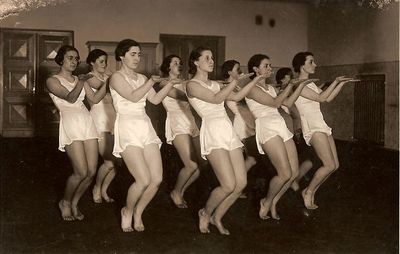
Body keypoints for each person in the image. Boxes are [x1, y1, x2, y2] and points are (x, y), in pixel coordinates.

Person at [186, 47, 259, 235]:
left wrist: (255, 80)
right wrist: (233, 81)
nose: (211, 61)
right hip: (212, 133)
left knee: (240, 184)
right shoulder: (192, 85)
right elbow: (216, 98)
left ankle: (217, 217)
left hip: (228, 131)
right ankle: (205, 212)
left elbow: (235, 97)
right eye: (207, 58)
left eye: (212, 58)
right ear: (195, 62)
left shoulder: (216, 83)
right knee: (227, 184)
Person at [109, 39, 176, 232]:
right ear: (122, 56)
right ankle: (127, 210)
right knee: (143, 179)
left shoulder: (140, 78)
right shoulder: (116, 77)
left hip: (145, 126)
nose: (137, 58)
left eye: (139, 54)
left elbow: (154, 100)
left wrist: (169, 84)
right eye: (133, 54)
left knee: (156, 179)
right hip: (127, 127)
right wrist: (150, 82)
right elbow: (132, 97)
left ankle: (138, 211)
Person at [245, 54, 315, 220]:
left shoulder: (271, 88)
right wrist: (290, 84)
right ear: (255, 69)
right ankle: (266, 201)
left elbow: (287, 103)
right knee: (284, 173)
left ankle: (275, 200)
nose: (270, 69)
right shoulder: (251, 89)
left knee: (294, 172)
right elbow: (275, 103)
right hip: (267, 128)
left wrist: (298, 86)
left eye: (270, 65)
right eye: (266, 66)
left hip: (280, 126)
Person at [292, 52, 357, 209]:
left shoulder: (311, 84)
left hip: (321, 125)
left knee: (334, 165)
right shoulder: (298, 84)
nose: (315, 64)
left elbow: (326, 98)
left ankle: (311, 191)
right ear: (302, 65)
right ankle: (308, 191)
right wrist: (334, 81)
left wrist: (341, 83)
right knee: (328, 165)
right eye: (311, 62)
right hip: (313, 128)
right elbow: (321, 98)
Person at [47, 45, 102, 221]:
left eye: (76, 58)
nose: (74, 61)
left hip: (87, 122)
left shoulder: (81, 79)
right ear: (61, 59)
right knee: (80, 171)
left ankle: (74, 202)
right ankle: (65, 202)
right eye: (70, 57)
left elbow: (93, 99)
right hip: (70, 123)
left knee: (91, 172)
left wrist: (108, 83)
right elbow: (70, 98)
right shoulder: (52, 80)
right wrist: (82, 80)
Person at [159, 55, 201, 208]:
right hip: (176, 123)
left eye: (180, 62)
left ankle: (179, 191)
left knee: (197, 168)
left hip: (189, 121)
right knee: (191, 165)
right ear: (167, 66)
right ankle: (176, 191)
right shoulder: (164, 83)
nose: (179, 65)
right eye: (175, 63)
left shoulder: (185, 83)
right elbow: (183, 96)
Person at [275, 67, 314, 192]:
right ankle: (294, 181)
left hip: (297, 128)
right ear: (281, 79)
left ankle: (295, 179)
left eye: (291, 75)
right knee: (305, 159)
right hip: (292, 130)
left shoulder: (290, 90)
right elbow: (292, 113)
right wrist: (297, 130)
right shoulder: (281, 92)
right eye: (287, 76)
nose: (291, 77)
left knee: (307, 158)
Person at [85, 49, 117, 203]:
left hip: (114, 120)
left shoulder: (108, 77)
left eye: (105, 61)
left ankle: (104, 190)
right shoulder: (89, 78)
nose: (104, 64)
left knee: (115, 161)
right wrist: (115, 79)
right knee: (108, 161)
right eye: (101, 61)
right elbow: (110, 89)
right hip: (99, 120)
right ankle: (96, 187)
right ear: (92, 62)